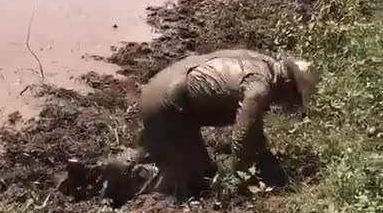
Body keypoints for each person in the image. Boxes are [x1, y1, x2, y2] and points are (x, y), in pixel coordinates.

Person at [137, 49, 320, 200]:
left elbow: (254, 132)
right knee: (194, 180)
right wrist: (245, 180)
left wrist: (265, 158)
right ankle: (127, 183)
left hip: (166, 84)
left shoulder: (262, 62)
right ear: (288, 85)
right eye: (294, 99)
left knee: (179, 157)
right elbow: (243, 138)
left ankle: (139, 164)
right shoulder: (259, 89)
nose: (289, 105)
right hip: (167, 100)